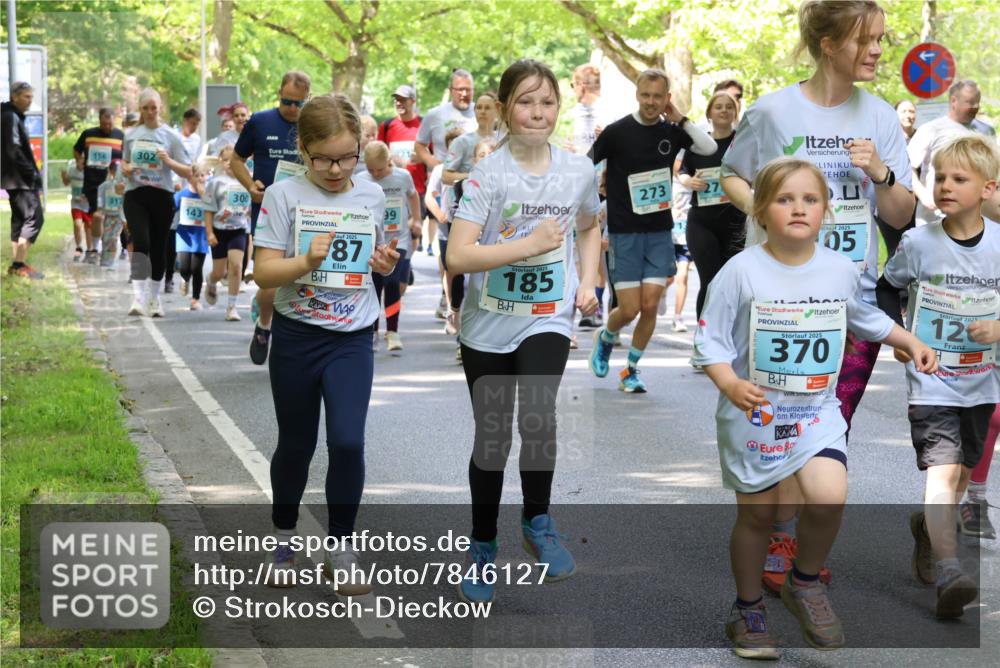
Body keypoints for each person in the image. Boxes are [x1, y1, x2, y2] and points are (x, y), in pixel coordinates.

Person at [694, 157, 936, 658]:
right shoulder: (740, 273)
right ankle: (748, 610)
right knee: (757, 520)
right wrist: (730, 384)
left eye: (810, 199)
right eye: (785, 199)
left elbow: (864, 317)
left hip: (815, 413)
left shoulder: (838, 270)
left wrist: (909, 340)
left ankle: (804, 581)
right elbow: (710, 345)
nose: (798, 208)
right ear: (761, 211)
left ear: (826, 210)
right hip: (755, 415)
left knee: (829, 494)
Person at [720, 0, 916, 593]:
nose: (880, 50)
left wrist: (880, 173)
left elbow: (904, 212)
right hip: (780, 295)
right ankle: (778, 528)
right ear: (830, 43)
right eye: (868, 40)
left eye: (883, 38)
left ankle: (794, 532)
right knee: (782, 409)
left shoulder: (879, 116)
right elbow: (731, 172)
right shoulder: (775, 111)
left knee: (829, 420)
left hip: (852, 297)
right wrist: (768, 215)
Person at [447, 59, 602, 604]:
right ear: (506, 107)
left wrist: (588, 281)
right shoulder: (489, 175)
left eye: (548, 102)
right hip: (487, 324)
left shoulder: (578, 170)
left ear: (559, 108)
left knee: (537, 417)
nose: (538, 113)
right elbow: (457, 255)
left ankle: (538, 522)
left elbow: (588, 225)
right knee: (492, 438)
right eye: (526, 102)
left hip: (547, 317)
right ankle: (483, 545)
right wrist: (528, 245)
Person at [252, 93, 398, 594]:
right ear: (303, 149)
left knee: (348, 441)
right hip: (297, 334)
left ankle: (341, 549)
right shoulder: (284, 195)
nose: (336, 169)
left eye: (347, 157)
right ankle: (284, 541)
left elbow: (377, 260)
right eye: (324, 159)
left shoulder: (372, 196)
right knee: (296, 444)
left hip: (352, 338)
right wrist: (304, 263)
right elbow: (263, 272)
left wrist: (384, 265)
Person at [877, 135, 999, 619]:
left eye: (959, 179)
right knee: (943, 472)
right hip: (933, 379)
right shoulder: (918, 242)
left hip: (983, 379)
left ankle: (929, 530)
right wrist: (904, 340)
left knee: (964, 472)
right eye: (939, 177)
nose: (945, 186)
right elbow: (887, 288)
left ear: (988, 187)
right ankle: (950, 569)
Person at [588, 68, 716, 393]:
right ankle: (606, 335)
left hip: (659, 231)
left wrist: (681, 119)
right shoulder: (616, 132)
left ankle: (630, 369)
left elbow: (709, 147)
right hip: (624, 232)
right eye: (646, 95)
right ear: (637, 94)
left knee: (650, 305)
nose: (651, 102)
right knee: (628, 308)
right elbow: (585, 165)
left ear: (666, 99)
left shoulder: (672, 132)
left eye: (657, 96)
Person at [232, 70, 311, 364]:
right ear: (279, 93)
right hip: (267, 210)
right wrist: (249, 185)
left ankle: (298, 338)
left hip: (306, 212)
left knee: (306, 276)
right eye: (288, 101)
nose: (293, 109)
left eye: (299, 103)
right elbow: (236, 160)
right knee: (271, 282)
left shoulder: (311, 124)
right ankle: (264, 324)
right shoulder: (260, 121)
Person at [120, 87, 192, 316]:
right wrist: (127, 168)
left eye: (154, 107)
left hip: (162, 195)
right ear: (139, 109)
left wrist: (168, 160)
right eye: (145, 108)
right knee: (141, 242)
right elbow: (123, 164)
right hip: (136, 194)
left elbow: (188, 170)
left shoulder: (170, 135)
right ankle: (138, 298)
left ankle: (154, 298)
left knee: (159, 247)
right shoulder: (131, 135)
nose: (150, 112)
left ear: (160, 108)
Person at [679, 90, 746, 318]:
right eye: (719, 106)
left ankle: (730, 334)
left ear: (735, 112)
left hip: (736, 221)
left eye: (729, 106)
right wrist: (690, 181)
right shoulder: (699, 143)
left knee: (732, 281)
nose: (724, 110)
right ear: (709, 112)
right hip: (702, 222)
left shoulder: (742, 142)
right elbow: (682, 172)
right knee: (710, 279)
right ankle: (704, 338)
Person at [356, 141, 421, 352]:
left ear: (389, 161)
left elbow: (413, 196)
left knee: (392, 282)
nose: (375, 174)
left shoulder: (402, 176)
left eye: (380, 169)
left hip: (398, 238)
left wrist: (417, 220)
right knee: (374, 285)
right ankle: (372, 332)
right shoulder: (361, 180)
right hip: (373, 240)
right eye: (370, 169)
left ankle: (392, 331)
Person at [908, 80, 996, 228]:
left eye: (977, 102)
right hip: (934, 219)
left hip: (976, 220)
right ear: (953, 101)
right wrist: (924, 195)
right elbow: (906, 166)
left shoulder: (987, 131)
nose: (975, 107)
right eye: (970, 102)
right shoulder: (932, 129)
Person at [203, 146, 252, 321]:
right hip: (219, 230)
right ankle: (210, 280)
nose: (230, 163)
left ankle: (232, 307)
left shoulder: (249, 181)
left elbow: (253, 207)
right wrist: (209, 233)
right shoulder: (216, 183)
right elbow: (208, 210)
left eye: (234, 159)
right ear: (221, 162)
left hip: (239, 230)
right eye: (225, 160)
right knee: (218, 272)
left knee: (237, 266)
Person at [378, 85, 429, 253]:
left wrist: (423, 158)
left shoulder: (423, 125)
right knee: (392, 228)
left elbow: (432, 155)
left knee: (414, 231)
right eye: (396, 100)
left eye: (403, 100)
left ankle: (407, 262)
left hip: (417, 187)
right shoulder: (387, 126)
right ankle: (397, 261)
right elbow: (378, 152)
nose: (399, 103)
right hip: (392, 187)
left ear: (413, 101)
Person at [2, 82, 45, 279]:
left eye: (30, 97)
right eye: (26, 97)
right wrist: (31, 173)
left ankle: (17, 266)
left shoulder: (10, 115)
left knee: (20, 218)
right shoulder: (10, 116)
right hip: (20, 179)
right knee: (35, 217)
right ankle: (18, 264)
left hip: (13, 178)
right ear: (14, 96)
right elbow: (14, 148)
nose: (29, 101)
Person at [73, 107, 125, 261]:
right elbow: (76, 150)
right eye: (104, 124)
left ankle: (113, 248)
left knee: (116, 217)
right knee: (97, 216)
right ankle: (95, 249)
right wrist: (79, 160)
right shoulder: (88, 135)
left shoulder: (120, 136)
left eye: (110, 124)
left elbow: (126, 157)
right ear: (99, 121)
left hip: (114, 184)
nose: (107, 127)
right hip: (93, 182)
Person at [877, 98, 919, 258]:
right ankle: (892, 281)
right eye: (904, 111)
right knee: (896, 250)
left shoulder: (922, 136)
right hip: (893, 199)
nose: (908, 115)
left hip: (917, 205)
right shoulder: (886, 139)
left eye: (912, 111)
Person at [414, 68, 477, 170]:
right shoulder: (434, 114)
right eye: (460, 89)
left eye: (468, 89)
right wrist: (433, 163)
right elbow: (419, 144)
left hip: (472, 178)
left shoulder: (481, 113)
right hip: (442, 180)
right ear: (451, 90)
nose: (464, 94)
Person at [173, 162, 209, 310]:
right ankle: (185, 279)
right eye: (196, 175)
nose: (200, 178)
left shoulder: (209, 195)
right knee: (185, 267)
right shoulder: (182, 194)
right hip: (184, 236)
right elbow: (170, 207)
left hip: (201, 236)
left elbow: (215, 209)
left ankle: (195, 299)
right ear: (189, 178)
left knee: (197, 268)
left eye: (203, 175)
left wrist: (203, 195)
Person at [567, 64, 614, 156]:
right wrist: (571, 149)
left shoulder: (608, 113)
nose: (573, 90)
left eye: (573, 85)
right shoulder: (579, 111)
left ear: (581, 86)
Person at [95, 160, 126, 268]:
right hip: (108, 216)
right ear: (110, 171)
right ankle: (104, 259)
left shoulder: (124, 186)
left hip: (119, 216)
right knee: (106, 238)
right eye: (115, 171)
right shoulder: (104, 186)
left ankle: (112, 261)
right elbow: (100, 200)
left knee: (114, 238)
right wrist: (100, 210)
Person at [62, 154, 92, 262]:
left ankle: (89, 250)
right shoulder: (72, 170)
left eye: (85, 159)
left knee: (88, 228)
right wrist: (64, 176)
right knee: (77, 224)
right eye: (81, 159)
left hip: (88, 204)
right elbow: (66, 183)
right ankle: (79, 247)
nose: (83, 161)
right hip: (76, 203)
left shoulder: (90, 172)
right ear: (77, 160)